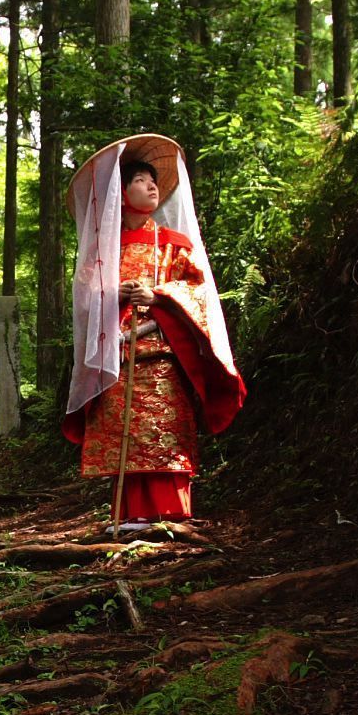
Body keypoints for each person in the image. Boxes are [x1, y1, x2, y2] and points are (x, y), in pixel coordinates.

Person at [61, 134, 246, 536]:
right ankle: (128, 516)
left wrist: (159, 295)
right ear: (119, 194)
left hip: (161, 359)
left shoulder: (174, 245)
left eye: (153, 180)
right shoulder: (101, 251)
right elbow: (84, 300)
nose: (151, 186)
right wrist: (112, 295)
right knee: (124, 434)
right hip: (119, 361)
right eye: (139, 181)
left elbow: (197, 291)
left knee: (164, 435)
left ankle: (170, 517)